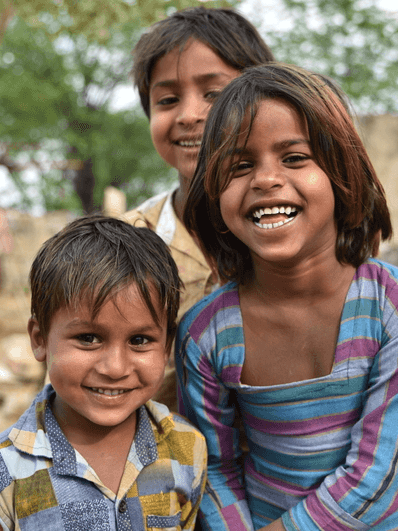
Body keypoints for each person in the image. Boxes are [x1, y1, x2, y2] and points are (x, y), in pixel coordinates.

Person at [178, 63, 398, 531]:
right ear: (215, 196)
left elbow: (381, 476)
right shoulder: (205, 334)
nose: (266, 179)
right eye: (240, 166)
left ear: (343, 174)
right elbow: (214, 469)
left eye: (295, 158)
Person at [0, 215, 207, 531]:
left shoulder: (186, 448)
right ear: (40, 339)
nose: (115, 368)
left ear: (167, 345)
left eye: (140, 340)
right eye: (88, 338)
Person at [121, 6, 275, 410]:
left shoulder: (290, 229)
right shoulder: (123, 244)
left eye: (215, 94)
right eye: (168, 99)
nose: (190, 115)